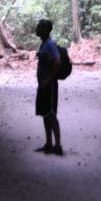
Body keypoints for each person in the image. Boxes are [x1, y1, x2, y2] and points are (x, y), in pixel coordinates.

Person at [34, 19, 63, 155]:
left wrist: (48, 80)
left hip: (49, 86)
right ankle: (48, 143)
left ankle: (57, 146)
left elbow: (57, 62)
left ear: (46, 30)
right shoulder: (44, 44)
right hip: (43, 85)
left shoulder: (50, 44)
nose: (37, 29)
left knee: (51, 115)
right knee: (45, 114)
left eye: (40, 27)